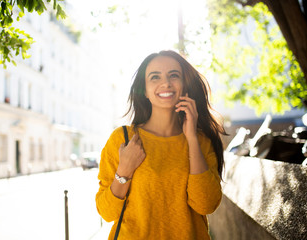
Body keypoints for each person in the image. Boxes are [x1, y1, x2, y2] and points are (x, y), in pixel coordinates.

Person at [96, 50, 226, 239]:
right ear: (145, 90)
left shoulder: (201, 141)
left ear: (184, 85)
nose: (165, 83)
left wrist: (191, 139)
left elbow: (206, 205)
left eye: (174, 75)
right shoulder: (122, 139)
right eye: (154, 77)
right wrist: (124, 171)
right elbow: (106, 212)